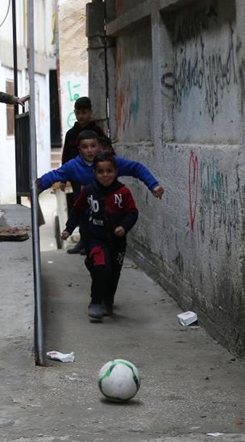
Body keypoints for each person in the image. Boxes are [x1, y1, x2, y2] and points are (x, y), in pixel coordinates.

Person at [38, 130, 164, 253]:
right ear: (79, 149)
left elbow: (136, 168)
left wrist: (153, 185)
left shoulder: (111, 162)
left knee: (113, 248)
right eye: (85, 147)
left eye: (93, 146)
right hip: (91, 208)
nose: (89, 150)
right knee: (93, 246)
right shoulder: (73, 166)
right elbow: (54, 175)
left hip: (111, 210)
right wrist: (37, 186)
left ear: (99, 146)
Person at [62, 152, 139, 321]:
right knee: (101, 267)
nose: (105, 175)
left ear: (116, 171)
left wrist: (124, 226)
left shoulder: (123, 192)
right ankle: (96, 301)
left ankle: (108, 300)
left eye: (109, 171)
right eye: (100, 171)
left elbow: (132, 213)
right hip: (96, 238)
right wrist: (69, 228)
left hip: (117, 241)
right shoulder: (89, 191)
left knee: (113, 272)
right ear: (94, 173)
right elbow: (78, 209)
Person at [60, 97, 107, 254]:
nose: (81, 116)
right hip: (77, 179)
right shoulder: (71, 134)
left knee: (96, 209)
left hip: (95, 177)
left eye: (84, 112)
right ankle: (83, 241)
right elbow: (66, 156)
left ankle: (95, 242)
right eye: (78, 113)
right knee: (80, 208)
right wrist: (63, 178)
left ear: (90, 112)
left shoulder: (98, 132)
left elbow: (108, 151)